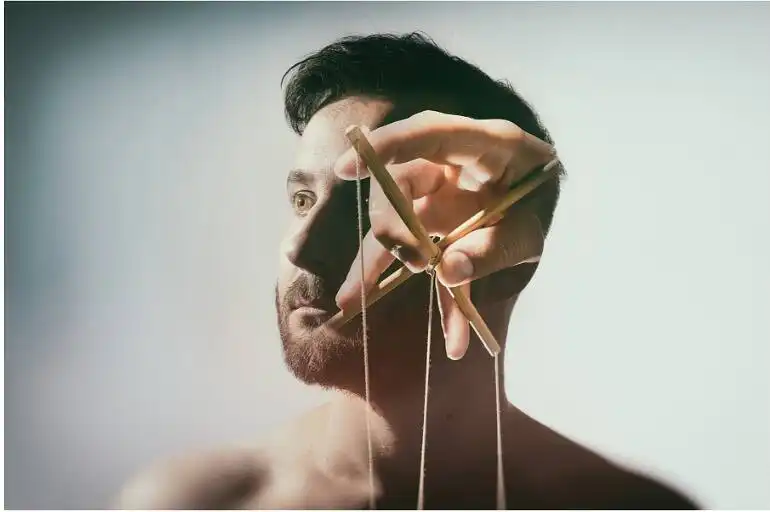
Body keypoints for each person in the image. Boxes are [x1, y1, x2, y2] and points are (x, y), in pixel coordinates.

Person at [115, 33, 698, 509]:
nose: (300, 248)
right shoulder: (196, 502)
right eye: (301, 201)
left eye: (368, 205)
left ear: (507, 263)